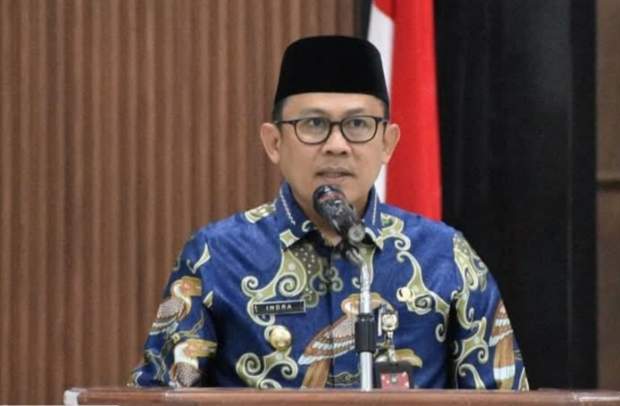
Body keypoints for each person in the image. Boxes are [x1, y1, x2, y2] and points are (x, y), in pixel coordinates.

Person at [129, 35, 528, 390]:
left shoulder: (444, 257)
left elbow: (505, 397)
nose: (336, 145)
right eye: (314, 124)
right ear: (274, 142)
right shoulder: (216, 257)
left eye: (358, 124)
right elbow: (161, 396)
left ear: (388, 143)